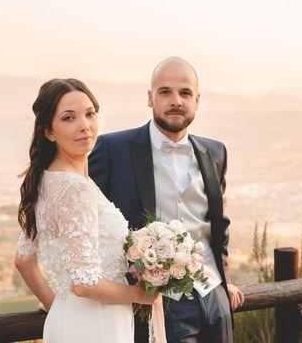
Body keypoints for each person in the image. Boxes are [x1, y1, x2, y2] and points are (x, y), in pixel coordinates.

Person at [89, 57, 244, 343]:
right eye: (165, 92)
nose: (176, 100)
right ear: (150, 98)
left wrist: (226, 280)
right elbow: (85, 221)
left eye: (185, 93)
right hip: (153, 301)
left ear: (197, 100)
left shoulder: (215, 152)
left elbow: (218, 223)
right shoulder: (113, 149)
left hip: (213, 296)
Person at [14, 78, 159, 343]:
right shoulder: (74, 189)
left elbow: (24, 260)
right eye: (69, 118)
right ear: (49, 131)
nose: (84, 126)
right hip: (98, 326)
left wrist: (57, 306)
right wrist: (141, 295)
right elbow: (84, 284)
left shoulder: (47, 181)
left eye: (90, 114)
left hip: (66, 323)